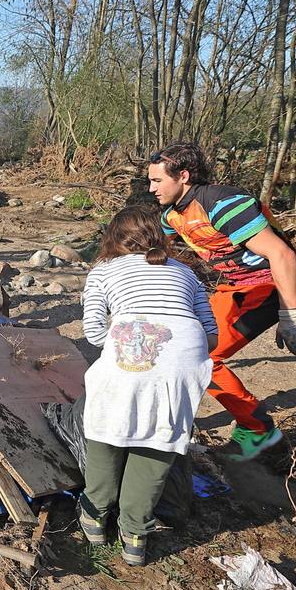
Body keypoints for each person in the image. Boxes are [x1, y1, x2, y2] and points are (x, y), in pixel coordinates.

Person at [148, 143, 296, 461]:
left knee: (203, 356)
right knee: (179, 344)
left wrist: (290, 313)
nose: (151, 188)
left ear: (183, 176)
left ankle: (258, 429)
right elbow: (154, 251)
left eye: (157, 181)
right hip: (235, 288)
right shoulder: (173, 216)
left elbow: (282, 254)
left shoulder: (224, 203)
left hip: (268, 286)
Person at [78, 206, 218, 566]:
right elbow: (212, 333)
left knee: (106, 427)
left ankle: (95, 520)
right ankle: (136, 537)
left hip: (131, 345)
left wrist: (128, 334)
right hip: (185, 357)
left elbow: (93, 333)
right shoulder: (186, 272)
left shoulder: (103, 270)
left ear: (112, 237)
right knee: (160, 437)